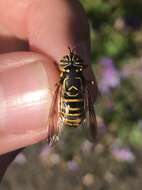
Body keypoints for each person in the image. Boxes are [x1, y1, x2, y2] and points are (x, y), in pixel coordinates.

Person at [0, 0, 96, 181]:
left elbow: (56, 92)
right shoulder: (80, 79)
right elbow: (86, 92)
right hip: (73, 112)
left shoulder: (62, 80)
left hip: (68, 112)